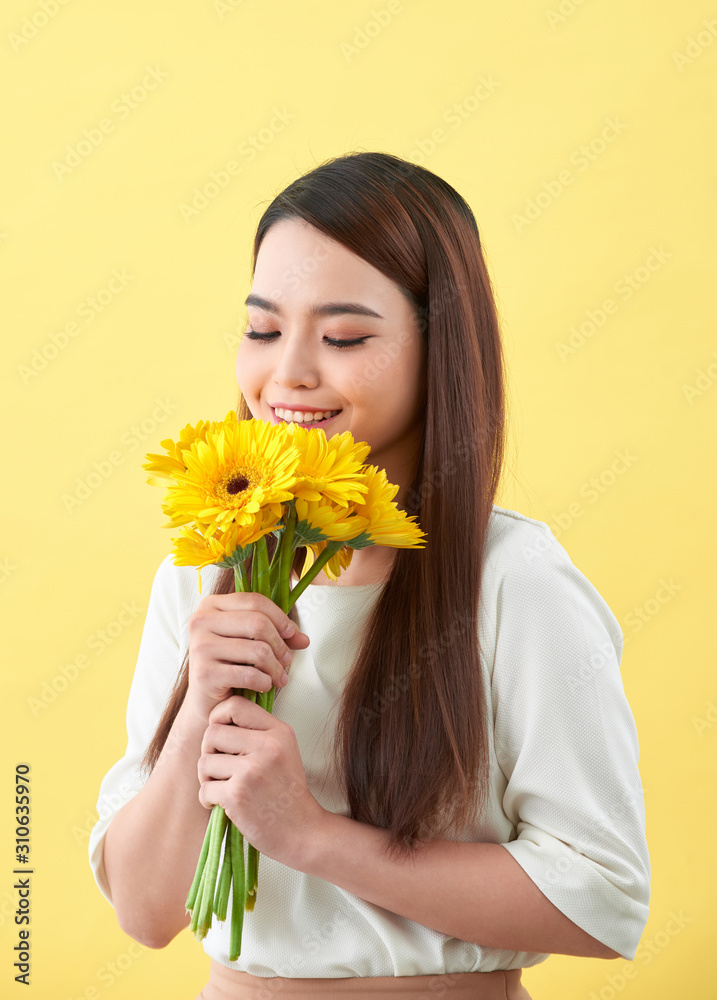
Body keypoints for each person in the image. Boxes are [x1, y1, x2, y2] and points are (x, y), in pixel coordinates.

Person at [88, 151, 650, 1000]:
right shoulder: (204, 570)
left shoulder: (513, 580)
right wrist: (201, 707)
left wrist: (311, 836)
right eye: (264, 329)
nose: (289, 375)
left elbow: (600, 899)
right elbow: (144, 910)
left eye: (344, 336)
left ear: (440, 349)